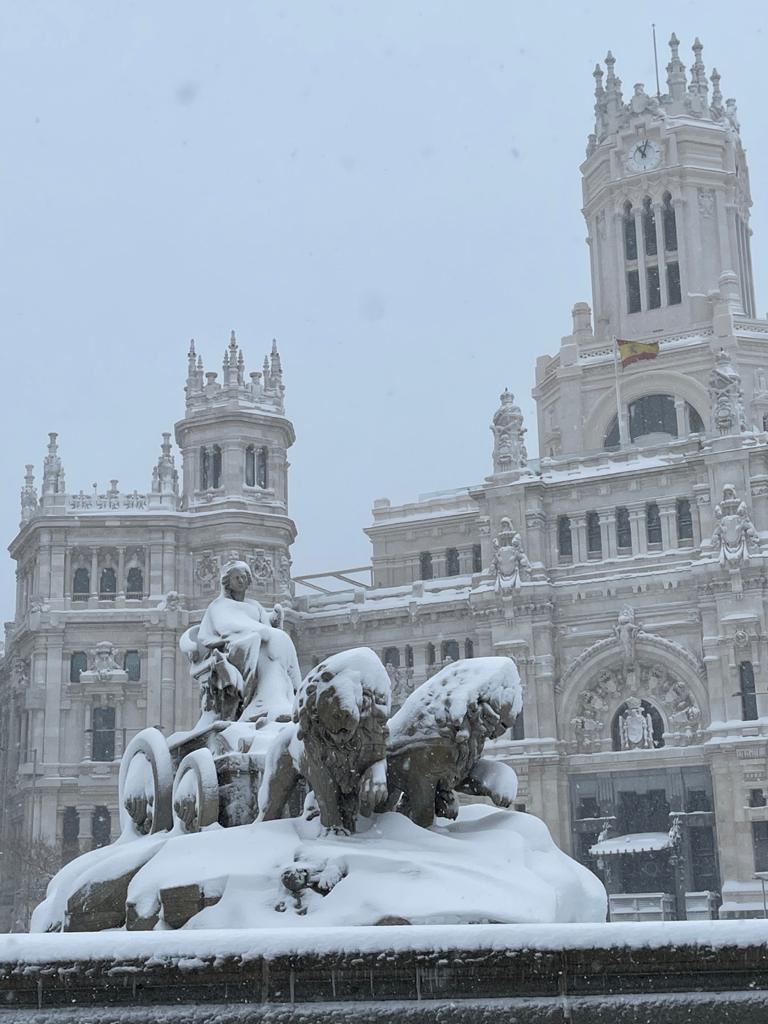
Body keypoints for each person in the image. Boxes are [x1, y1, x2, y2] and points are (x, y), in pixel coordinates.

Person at [195, 560, 298, 722]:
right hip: (233, 650)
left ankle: (287, 695)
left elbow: (267, 629)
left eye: (244, 577)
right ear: (227, 582)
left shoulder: (255, 605)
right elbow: (227, 629)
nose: (242, 580)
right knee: (260, 643)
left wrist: (273, 623)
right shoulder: (218, 606)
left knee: (280, 639)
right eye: (237, 578)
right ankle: (262, 702)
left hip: (254, 644)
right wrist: (256, 631)